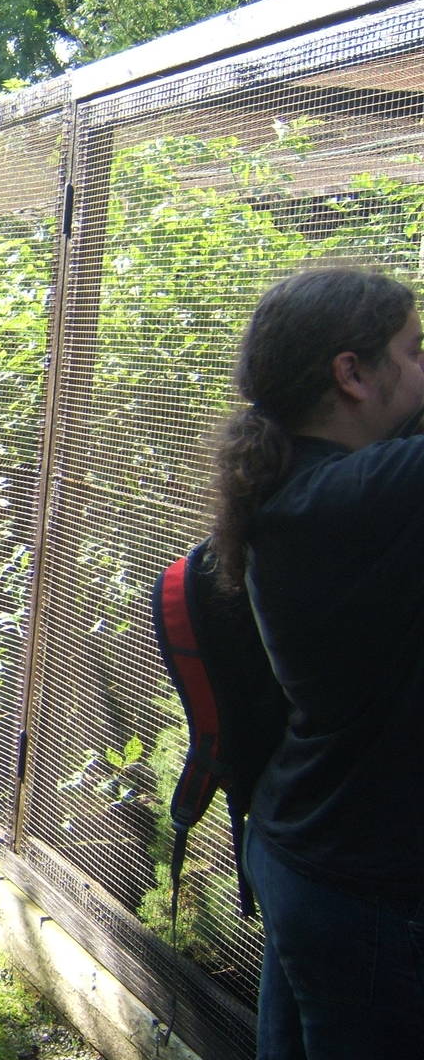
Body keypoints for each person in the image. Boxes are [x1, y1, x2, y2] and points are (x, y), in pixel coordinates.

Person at [212, 266, 424, 1059]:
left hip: (307, 851)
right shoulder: (364, 497)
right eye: (416, 348)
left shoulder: (300, 486)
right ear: (352, 372)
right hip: (366, 886)